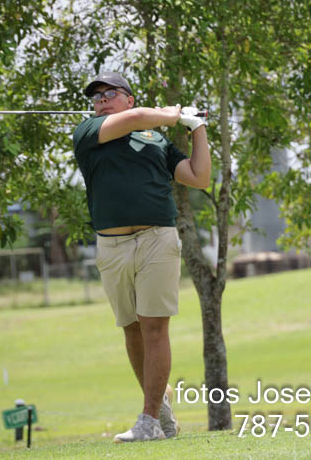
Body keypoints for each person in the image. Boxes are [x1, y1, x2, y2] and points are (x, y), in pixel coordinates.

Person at [72, 71, 210, 442]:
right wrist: (171, 114)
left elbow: (198, 176)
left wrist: (196, 127)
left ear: (129, 97)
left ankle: (148, 421)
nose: (101, 99)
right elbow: (134, 119)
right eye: (96, 96)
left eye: (109, 93)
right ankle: (161, 413)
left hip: (156, 239)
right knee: (131, 328)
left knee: (153, 327)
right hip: (112, 245)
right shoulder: (88, 132)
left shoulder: (156, 140)